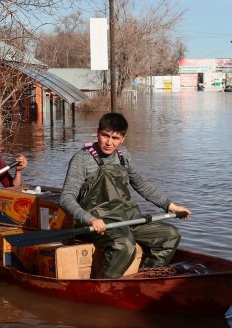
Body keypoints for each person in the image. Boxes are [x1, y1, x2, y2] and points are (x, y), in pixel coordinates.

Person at [60, 112, 191, 278]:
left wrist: (170, 206)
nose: (109, 142)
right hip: (96, 223)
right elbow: (66, 198)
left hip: (126, 218)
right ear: (97, 133)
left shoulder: (124, 156)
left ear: (123, 138)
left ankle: (146, 278)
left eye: (115, 138)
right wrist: (89, 219)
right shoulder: (82, 159)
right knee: (124, 244)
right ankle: (104, 286)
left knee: (170, 235)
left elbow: (142, 185)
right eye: (105, 135)